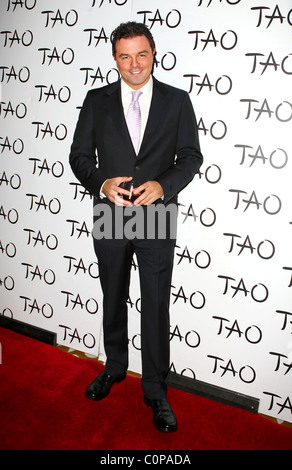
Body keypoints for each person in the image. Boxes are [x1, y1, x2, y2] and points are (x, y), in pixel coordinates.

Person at [69, 21, 203, 433]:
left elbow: (190, 157)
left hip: (157, 214)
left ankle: (155, 389)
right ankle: (113, 367)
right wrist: (101, 183)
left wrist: (163, 186)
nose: (133, 64)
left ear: (153, 54)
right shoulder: (96, 100)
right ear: (115, 59)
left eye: (141, 54)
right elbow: (79, 156)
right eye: (124, 56)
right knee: (113, 295)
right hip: (109, 212)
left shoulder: (177, 101)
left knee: (156, 303)